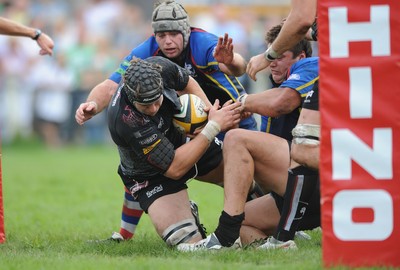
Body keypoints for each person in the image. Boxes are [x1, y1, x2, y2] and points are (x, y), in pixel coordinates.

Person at [75, 0, 258, 242]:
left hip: (232, 118)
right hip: (194, 123)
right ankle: (124, 234)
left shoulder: (202, 42)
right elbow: (111, 85)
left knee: (245, 177)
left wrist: (230, 62)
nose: (167, 41)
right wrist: (93, 105)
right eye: (161, 35)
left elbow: (240, 67)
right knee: (138, 164)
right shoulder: (148, 51)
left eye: (173, 34)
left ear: (185, 31)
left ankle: (271, 220)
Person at [177, 21, 320, 251]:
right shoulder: (274, 92)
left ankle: (223, 240)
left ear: (301, 56)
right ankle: (284, 243)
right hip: (298, 196)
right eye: (269, 55)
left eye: (279, 56)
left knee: (236, 139)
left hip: (322, 181)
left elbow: (281, 103)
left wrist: (242, 104)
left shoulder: (312, 66)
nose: (272, 62)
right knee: (244, 222)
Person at [107, 56, 241, 247]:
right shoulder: (126, 120)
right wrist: (213, 127)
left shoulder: (159, 67)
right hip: (151, 175)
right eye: (146, 106)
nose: (154, 109)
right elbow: (174, 167)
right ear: (131, 98)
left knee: (244, 180)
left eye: (157, 100)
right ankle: (185, 211)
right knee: (188, 244)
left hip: (182, 138)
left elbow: (186, 81)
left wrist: (209, 112)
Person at [246, 0, 317, 81]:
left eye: (279, 57)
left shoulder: (312, 76)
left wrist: (266, 57)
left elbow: (302, 20)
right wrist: (313, 34)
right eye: (273, 58)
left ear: (301, 58)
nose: (271, 64)